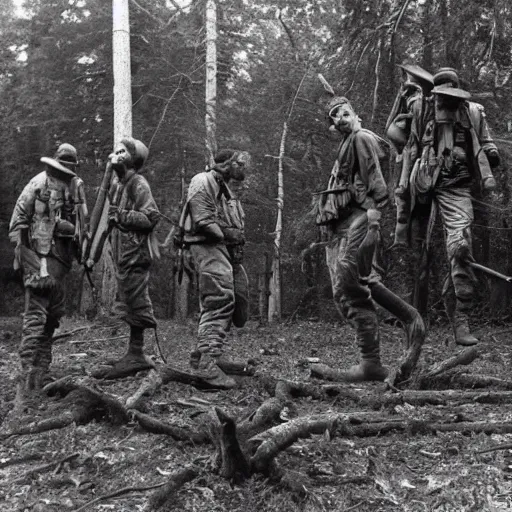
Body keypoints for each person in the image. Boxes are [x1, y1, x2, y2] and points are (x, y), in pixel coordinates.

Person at [316, 97, 425, 382]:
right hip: (346, 219)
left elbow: (374, 173)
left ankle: (373, 360)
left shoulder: (361, 137)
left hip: (362, 216)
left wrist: (375, 213)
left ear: (355, 114)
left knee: (349, 283)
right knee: (354, 284)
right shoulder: (348, 141)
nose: (340, 118)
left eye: (344, 113)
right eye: (335, 117)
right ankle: (408, 321)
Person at [408, 68, 500, 346]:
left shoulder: (472, 113)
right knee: (414, 249)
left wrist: (489, 158)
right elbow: (404, 140)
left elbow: (487, 142)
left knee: (460, 248)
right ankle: (410, 318)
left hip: (457, 188)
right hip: (422, 185)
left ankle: (461, 320)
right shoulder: (422, 109)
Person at [8, 143, 87, 409]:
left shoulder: (71, 188)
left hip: (58, 265)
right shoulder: (37, 185)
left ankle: (42, 371)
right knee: (35, 318)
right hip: (38, 261)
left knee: (51, 319)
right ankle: (27, 379)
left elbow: (76, 226)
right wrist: (33, 261)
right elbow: (18, 224)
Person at [179, 149, 250, 389]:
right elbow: (203, 221)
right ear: (226, 165)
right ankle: (207, 366)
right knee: (219, 297)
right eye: (238, 164)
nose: (242, 169)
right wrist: (227, 233)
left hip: (224, 250)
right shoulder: (203, 181)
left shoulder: (226, 189)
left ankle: (208, 355)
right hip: (207, 246)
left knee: (238, 295)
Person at [92, 137, 160, 379]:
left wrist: (122, 216)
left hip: (136, 253)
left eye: (123, 152)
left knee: (136, 299)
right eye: (116, 150)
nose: (117, 154)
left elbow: (151, 217)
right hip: (123, 254)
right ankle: (133, 352)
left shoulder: (138, 183)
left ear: (134, 159)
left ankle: (136, 353)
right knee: (127, 299)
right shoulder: (118, 184)